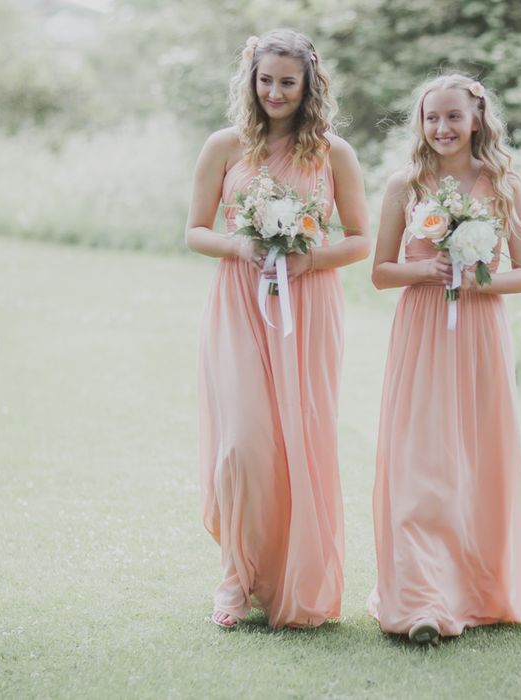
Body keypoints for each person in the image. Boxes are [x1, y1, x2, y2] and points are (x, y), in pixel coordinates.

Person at [185, 29, 369, 629]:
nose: (275, 91)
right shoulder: (225, 146)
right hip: (239, 302)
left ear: (309, 84)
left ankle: (295, 578)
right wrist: (241, 244)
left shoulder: (333, 153)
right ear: (251, 79)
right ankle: (236, 578)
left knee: (299, 443)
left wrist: (305, 257)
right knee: (243, 444)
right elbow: (195, 231)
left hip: (308, 307)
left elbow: (361, 240)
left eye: (288, 81)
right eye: (266, 80)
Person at [368, 73, 521, 645]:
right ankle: (420, 601)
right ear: (420, 124)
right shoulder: (404, 184)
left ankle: (475, 591)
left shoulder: (505, 186)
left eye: (452, 117)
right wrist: (428, 269)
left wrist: (478, 280)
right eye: (431, 117)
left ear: (476, 120)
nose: (441, 128)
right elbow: (380, 272)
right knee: (420, 464)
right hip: (422, 332)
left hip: (479, 333)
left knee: (474, 461)